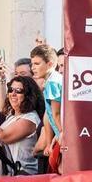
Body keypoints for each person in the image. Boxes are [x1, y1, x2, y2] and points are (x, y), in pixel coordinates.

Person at [31, 45, 63, 173]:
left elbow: (56, 114)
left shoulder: (53, 82)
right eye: (32, 63)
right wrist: (50, 143)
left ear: (50, 64)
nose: (33, 67)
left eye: (37, 63)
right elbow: (48, 115)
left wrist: (61, 134)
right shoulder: (51, 80)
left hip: (63, 139)